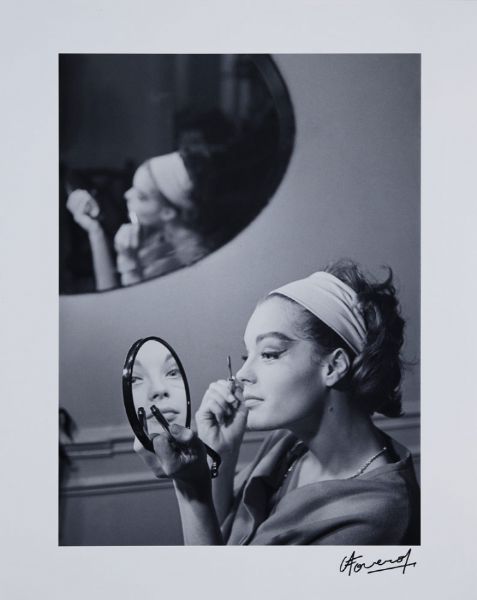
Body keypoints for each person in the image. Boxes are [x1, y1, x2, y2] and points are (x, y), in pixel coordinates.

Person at [135, 260, 420, 545]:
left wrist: (190, 490)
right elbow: (221, 536)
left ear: (334, 367)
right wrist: (221, 453)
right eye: (247, 356)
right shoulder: (287, 445)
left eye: (269, 354)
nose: (241, 375)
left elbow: (214, 574)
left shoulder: (376, 513)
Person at [66, 151, 211, 289]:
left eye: (141, 196)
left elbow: (117, 305)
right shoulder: (155, 235)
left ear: (167, 213)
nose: (127, 194)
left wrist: (129, 267)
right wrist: (95, 231)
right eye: (133, 187)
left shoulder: (180, 265)